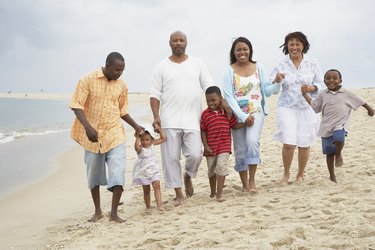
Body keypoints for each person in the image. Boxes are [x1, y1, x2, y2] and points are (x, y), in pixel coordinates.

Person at [150, 31, 231, 206]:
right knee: (171, 159)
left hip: (192, 119)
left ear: (186, 43)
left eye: (182, 40)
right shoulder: (161, 67)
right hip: (169, 120)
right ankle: (178, 193)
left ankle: (188, 175)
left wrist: (223, 101)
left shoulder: (197, 64)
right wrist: (156, 116)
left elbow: (209, 87)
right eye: (175, 40)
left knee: (195, 155)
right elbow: (155, 94)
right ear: (169, 43)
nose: (178, 43)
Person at [70, 52, 143, 223]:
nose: (119, 74)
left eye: (122, 71)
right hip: (92, 136)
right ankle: (97, 211)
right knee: (93, 175)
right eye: (117, 70)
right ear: (107, 66)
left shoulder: (122, 85)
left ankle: (114, 213)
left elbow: (122, 110)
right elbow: (76, 105)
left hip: (114, 134)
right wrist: (87, 127)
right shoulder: (87, 79)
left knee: (118, 172)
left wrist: (136, 126)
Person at [223, 37, 280, 192]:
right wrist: (243, 116)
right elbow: (229, 97)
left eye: (245, 49)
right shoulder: (229, 71)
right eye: (238, 49)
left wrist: (278, 82)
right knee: (240, 149)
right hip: (238, 116)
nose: (242, 52)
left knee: (252, 142)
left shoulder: (258, 67)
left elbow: (268, 91)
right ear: (234, 52)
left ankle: (252, 180)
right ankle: (244, 184)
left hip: (256, 113)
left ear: (250, 50)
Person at [301, 69, 374, 182]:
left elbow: (361, 101)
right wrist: (305, 95)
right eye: (328, 78)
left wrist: (369, 109)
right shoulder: (322, 94)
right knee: (329, 152)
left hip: (341, 124)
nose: (331, 80)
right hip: (326, 127)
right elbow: (315, 107)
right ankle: (332, 175)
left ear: (340, 81)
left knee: (339, 137)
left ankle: (338, 154)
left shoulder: (346, 93)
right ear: (324, 81)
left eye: (335, 78)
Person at [270, 31, 324, 184]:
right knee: (289, 142)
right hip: (287, 107)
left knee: (304, 143)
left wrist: (312, 88)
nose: (294, 47)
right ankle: (286, 174)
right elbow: (271, 84)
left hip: (307, 107)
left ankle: (300, 174)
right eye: (291, 44)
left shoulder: (312, 63)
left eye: (297, 44)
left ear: (303, 46)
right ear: (287, 46)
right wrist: (277, 80)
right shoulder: (282, 64)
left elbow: (321, 83)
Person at [201, 86, 244, 201]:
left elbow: (234, 125)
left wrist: (245, 124)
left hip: (224, 146)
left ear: (220, 99)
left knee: (221, 167)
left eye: (213, 100)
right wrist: (205, 145)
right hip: (211, 147)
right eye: (208, 101)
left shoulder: (227, 112)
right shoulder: (205, 114)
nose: (211, 103)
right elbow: (203, 130)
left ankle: (219, 194)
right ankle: (212, 191)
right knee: (211, 170)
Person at [133, 125, 166, 210]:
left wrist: (160, 130)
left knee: (157, 185)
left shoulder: (152, 144)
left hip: (154, 169)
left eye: (147, 140)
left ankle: (159, 205)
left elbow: (163, 139)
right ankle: (148, 206)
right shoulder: (140, 149)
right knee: (146, 190)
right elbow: (136, 147)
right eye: (142, 140)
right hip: (144, 171)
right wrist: (137, 137)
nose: (145, 142)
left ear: (151, 139)